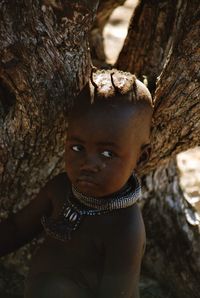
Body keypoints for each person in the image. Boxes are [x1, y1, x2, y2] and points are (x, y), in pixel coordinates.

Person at [0, 69, 153, 298]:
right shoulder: (61, 188)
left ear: (141, 157)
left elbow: (121, 294)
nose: (88, 164)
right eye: (77, 148)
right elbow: (16, 229)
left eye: (108, 154)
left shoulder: (125, 227)